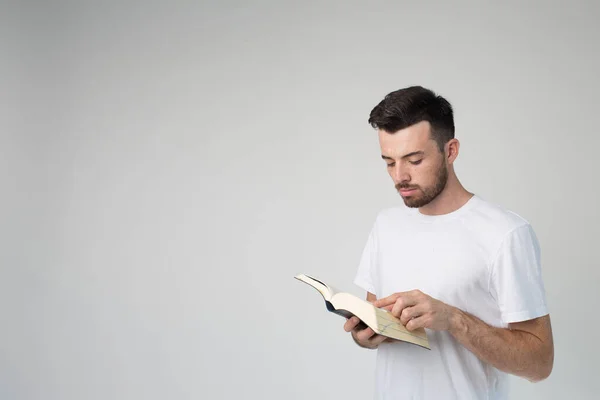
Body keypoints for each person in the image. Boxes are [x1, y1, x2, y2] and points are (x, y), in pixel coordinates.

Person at [343, 86, 554, 399]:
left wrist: (454, 320)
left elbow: (539, 363)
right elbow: (378, 318)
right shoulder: (386, 224)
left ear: (451, 150)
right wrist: (369, 334)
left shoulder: (505, 233)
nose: (400, 176)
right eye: (389, 162)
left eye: (414, 160)